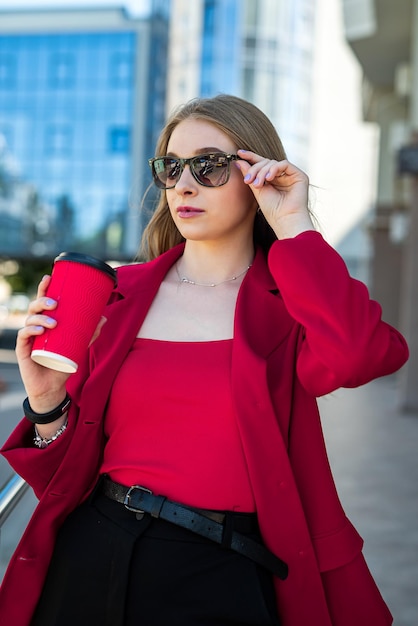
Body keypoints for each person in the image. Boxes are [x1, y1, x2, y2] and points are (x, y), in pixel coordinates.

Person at [0, 94, 409, 626]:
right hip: (93, 552)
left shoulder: (290, 306)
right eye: (172, 168)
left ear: (257, 173)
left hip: (220, 567)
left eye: (210, 166)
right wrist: (47, 405)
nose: (185, 184)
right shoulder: (116, 294)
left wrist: (294, 224)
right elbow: (66, 475)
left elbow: (360, 356)